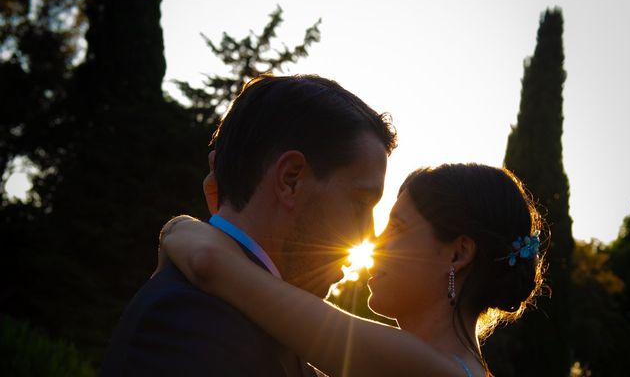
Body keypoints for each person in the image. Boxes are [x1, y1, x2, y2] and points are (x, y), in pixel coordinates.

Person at [100, 75, 398, 376]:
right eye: (361, 203)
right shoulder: (191, 320)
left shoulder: (257, 321)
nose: (369, 234)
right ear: (290, 179)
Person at [159, 163, 546, 377]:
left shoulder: (427, 369)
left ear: (458, 254)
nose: (376, 244)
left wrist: (177, 228)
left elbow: (210, 265)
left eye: (397, 227)